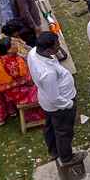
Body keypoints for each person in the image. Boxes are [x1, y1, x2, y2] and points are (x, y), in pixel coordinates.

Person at [27, 32, 83, 165]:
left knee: (51, 127)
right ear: (48, 50)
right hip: (59, 105)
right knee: (64, 131)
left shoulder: (34, 52)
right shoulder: (47, 73)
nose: (59, 45)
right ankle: (66, 157)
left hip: (46, 100)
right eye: (57, 44)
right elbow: (55, 98)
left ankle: (54, 151)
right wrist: (69, 104)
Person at [0, 36, 42, 125]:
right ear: (9, 50)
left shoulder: (0, 57)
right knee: (43, 88)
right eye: (13, 44)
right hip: (17, 93)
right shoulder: (11, 64)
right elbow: (25, 80)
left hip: (7, 90)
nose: (16, 45)